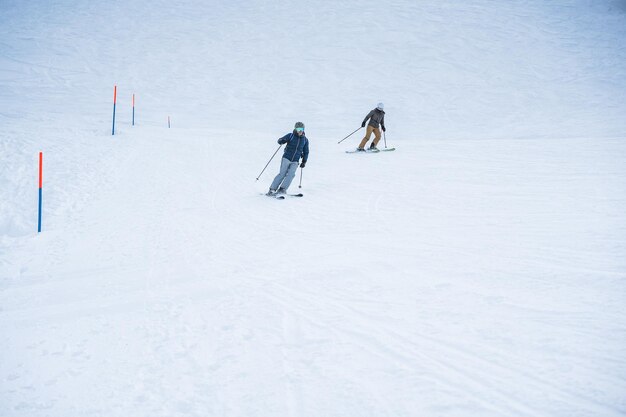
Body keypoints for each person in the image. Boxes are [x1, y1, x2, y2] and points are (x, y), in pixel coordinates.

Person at [267, 122, 309, 195]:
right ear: (295, 129)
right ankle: (272, 189)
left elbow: (306, 151)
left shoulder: (305, 140)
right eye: (298, 129)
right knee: (282, 174)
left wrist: (304, 161)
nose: (300, 131)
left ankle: (282, 189)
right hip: (286, 158)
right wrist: (281, 141)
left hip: (295, 161)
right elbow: (280, 140)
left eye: (301, 129)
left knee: (291, 175)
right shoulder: (291, 135)